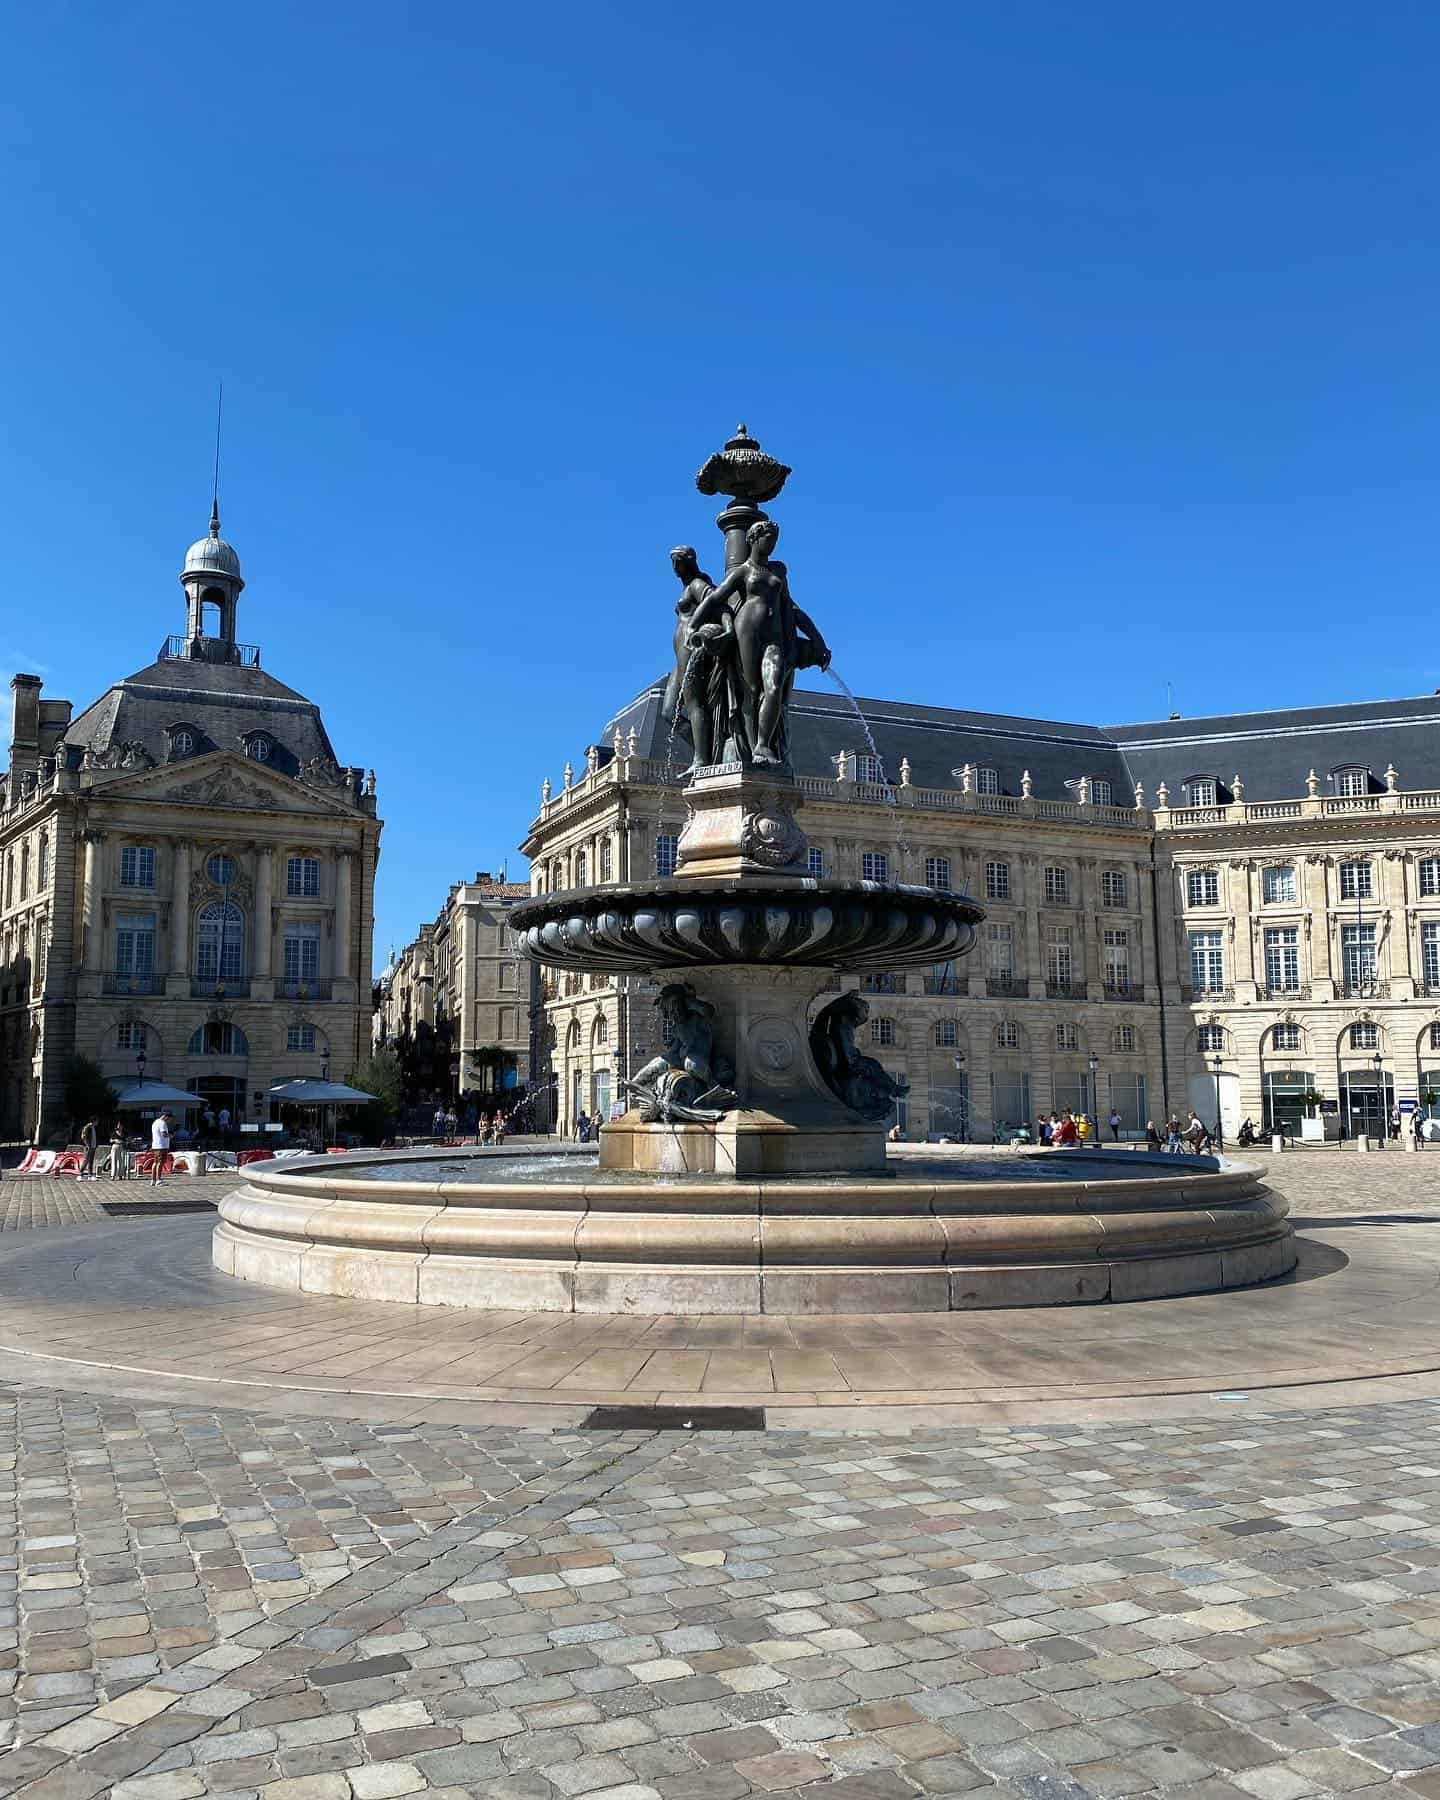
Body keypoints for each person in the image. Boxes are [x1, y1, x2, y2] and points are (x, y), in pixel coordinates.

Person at [150, 1111, 171, 1187]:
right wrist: (170, 1135)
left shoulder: (155, 1122)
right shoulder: (162, 1123)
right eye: (169, 1119)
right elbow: (164, 1134)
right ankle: (158, 1180)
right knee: (160, 1163)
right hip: (162, 1146)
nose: (169, 1121)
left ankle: (153, 1180)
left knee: (155, 1162)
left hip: (155, 1145)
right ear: (166, 1117)